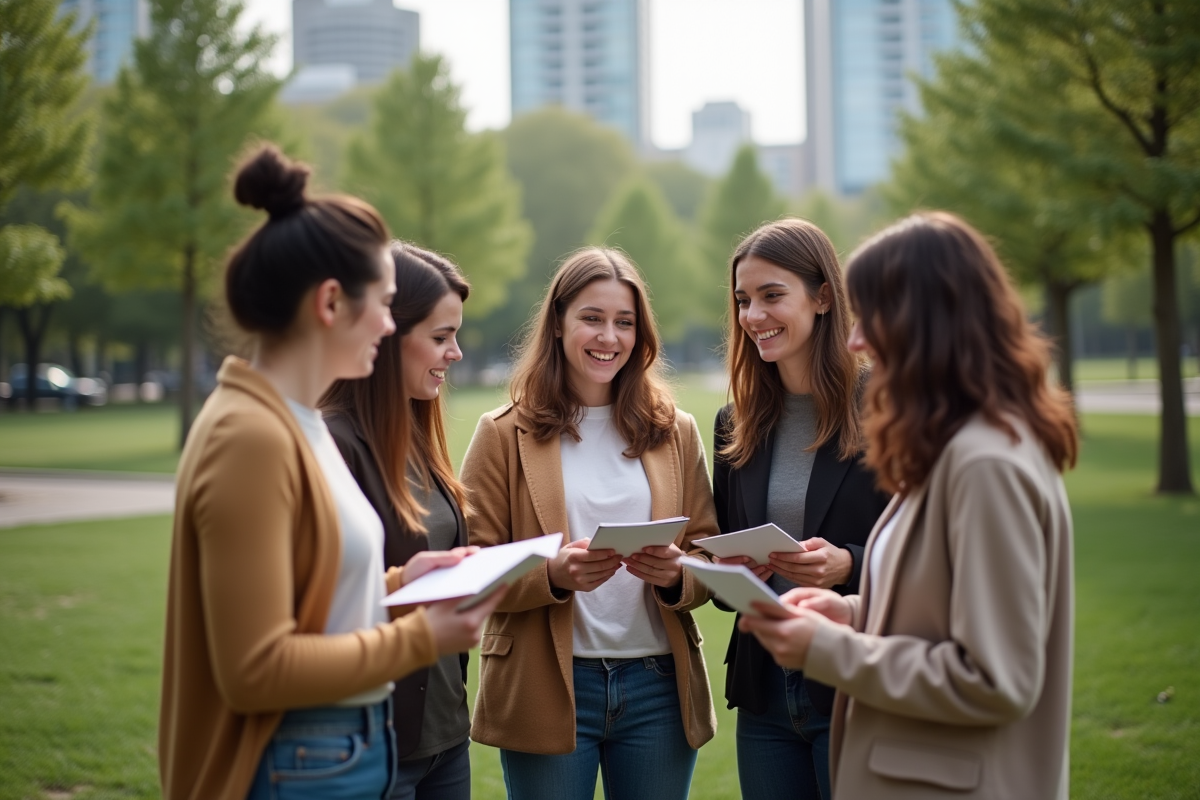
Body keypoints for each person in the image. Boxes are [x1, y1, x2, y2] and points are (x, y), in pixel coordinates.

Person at [158, 145, 503, 800]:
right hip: (290, 762)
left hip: (333, 749)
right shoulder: (250, 436)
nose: (386, 323)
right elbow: (255, 669)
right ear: (328, 303)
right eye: (384, 303)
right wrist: (419, 637)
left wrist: (402, 579)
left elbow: (302, 593)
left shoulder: (294, 422)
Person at [739, 211, 1077, 799]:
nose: (855, 338)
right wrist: (854, 614)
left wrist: (829, 648)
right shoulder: (956, 449)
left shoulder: (986, 464)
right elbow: (948, 611)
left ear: (930, 320)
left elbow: (997, 679)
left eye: (873, 315)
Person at [459, 247, 719, 800]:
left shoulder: (676, 431)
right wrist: (551, 575)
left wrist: (678, 575)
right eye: (592, 319)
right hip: (546, 683)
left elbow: (709, 554)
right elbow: (471, 570)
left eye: (624, 322)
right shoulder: (502, 434)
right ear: (558, 324)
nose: (609, 337)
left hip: (657, 688)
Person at [711, 218, 890, 800]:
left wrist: (849, 564)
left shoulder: (886, 410)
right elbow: (722, 572)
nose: (753, 316)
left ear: (822, 297)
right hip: (764, 690)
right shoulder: (734, 423)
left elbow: (930, 554)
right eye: (743, 300)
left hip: (855, 683)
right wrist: (726, 570)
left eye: (771, 296)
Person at [320, 242, 476, 800]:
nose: (455, 353)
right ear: (386, 335)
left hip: (446, 737)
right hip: (375, 742)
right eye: (440, 337)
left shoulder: (418, 433)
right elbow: (325, 607)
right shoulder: (334, 445)